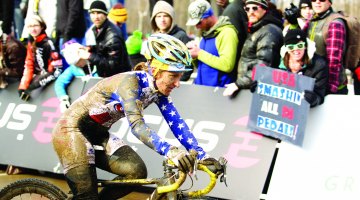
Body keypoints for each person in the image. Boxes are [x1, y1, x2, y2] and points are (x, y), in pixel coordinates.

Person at [52, 33, 216, 199]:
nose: (177, 84)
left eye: (179, 77)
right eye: (173, 76)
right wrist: (170, 151)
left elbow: (176, 123)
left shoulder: (158, 91)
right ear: (156, 71)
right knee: (87, 196)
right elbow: (137, 126)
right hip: (71, 130)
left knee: (136, 173)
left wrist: (203, 155)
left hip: (98, 134)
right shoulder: (130, 83)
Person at [223, 0, 283, 97]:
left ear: (264, 10)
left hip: (259, 90)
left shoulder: (268, 31)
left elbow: (263, 66)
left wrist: (239, 84)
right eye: (247, 9)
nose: (251, 12)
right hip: (250, 87)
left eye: (255, 8)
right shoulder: (257, 29)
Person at [186, 0, 238, 87]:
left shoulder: (227, 32)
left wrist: (199, 53)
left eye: (199, 22)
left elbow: (227, 65)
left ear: (209, 16)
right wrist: (193, 55)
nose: (197, 26)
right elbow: (203, 67)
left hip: (218, 92)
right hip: (202, 90)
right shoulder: (206, 33)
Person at [277, 29, 328, 107]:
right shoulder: (280, 62)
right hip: (284, 111)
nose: (296, 50)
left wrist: (314, 99)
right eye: (291, 47)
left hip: (306, 114)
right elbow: (271, 85)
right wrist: (258, 87)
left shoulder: (318, 65)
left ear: (305, 46)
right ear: (287, 49)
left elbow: (320, 94)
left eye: (300, 46)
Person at [79, 1, 131, 77]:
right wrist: (90, 49)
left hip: (118, 78)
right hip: (106, 77)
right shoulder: (95, 29)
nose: (96, 17)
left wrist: (89, 56)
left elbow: (112, 65)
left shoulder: (113, 35)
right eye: (93, 13)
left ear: (105, 14)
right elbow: (102, 51)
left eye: (99, 13)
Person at [306, 0, 348, 94]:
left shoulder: (335, 23)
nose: (317, 2)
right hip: (315, 81)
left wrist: (330, 87)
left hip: (330, 86)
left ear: (329, 2)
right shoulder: (312, 20)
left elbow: (334, 59)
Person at [18, 15, 62, 101]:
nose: (33, 29)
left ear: (42, 27)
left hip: (53, 80)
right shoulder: (31, 42)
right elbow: (29, 64)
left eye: (35, 25)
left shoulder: (48, 43)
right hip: (42, 76)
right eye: (30, 26)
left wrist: (33, 86)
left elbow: (57, 71)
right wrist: (23, 85)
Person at [150, 0, 193, 81]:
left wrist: (177, 82)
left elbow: (188, 66)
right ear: (154, 19)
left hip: (175, 86)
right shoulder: (153, 38)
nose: (162, 19)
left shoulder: (181, 36)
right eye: (158, 16)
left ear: (171, 18)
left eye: (165, 16)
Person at [54, 40, 98, 113]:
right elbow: (59, 83)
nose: (78, 65)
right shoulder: (73, 68)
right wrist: (63, 99)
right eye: (75, 63)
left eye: (78, 61)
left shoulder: (96, 61)